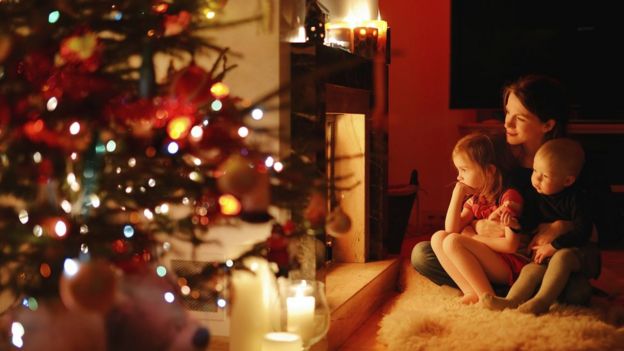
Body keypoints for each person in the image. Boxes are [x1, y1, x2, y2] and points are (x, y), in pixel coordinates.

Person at [411, 74, 600, 303]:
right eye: (507, 112)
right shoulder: (498, 154)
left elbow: (601, 230)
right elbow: (481, 206)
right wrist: (478, 225)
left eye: (519, 117)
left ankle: (513, 291)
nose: (507, 123)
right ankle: (497, 291)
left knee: (575, 291)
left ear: (547, 124)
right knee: (423, 254)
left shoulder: (571, 162)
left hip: (541, 258)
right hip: (494, 253)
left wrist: (562, 226)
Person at [482, 138, 598, 314]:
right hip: (548, 255)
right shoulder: (537, 195)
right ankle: (512, 301)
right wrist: (514, 224)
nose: (536, 179)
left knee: (563, 257)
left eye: (544, 176)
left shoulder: (577, 199)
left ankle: (541, 302)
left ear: (567, 181)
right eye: (535, 170)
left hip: (580, 254)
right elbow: (530, 223)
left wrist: (553, 246)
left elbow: (583, 231)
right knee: (531, 269)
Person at [431, 132, 528, 304]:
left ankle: (487, 296)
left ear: (489, 171)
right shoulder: (476, 198)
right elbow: (450, 229)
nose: (458, 176)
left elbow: (510, 246)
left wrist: (473, 237)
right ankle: (471, 291)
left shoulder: (508, 197)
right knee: (438, 238)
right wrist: (457, 194)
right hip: (490, 259)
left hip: (509, 265)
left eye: (464, 170)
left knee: (454, 241)